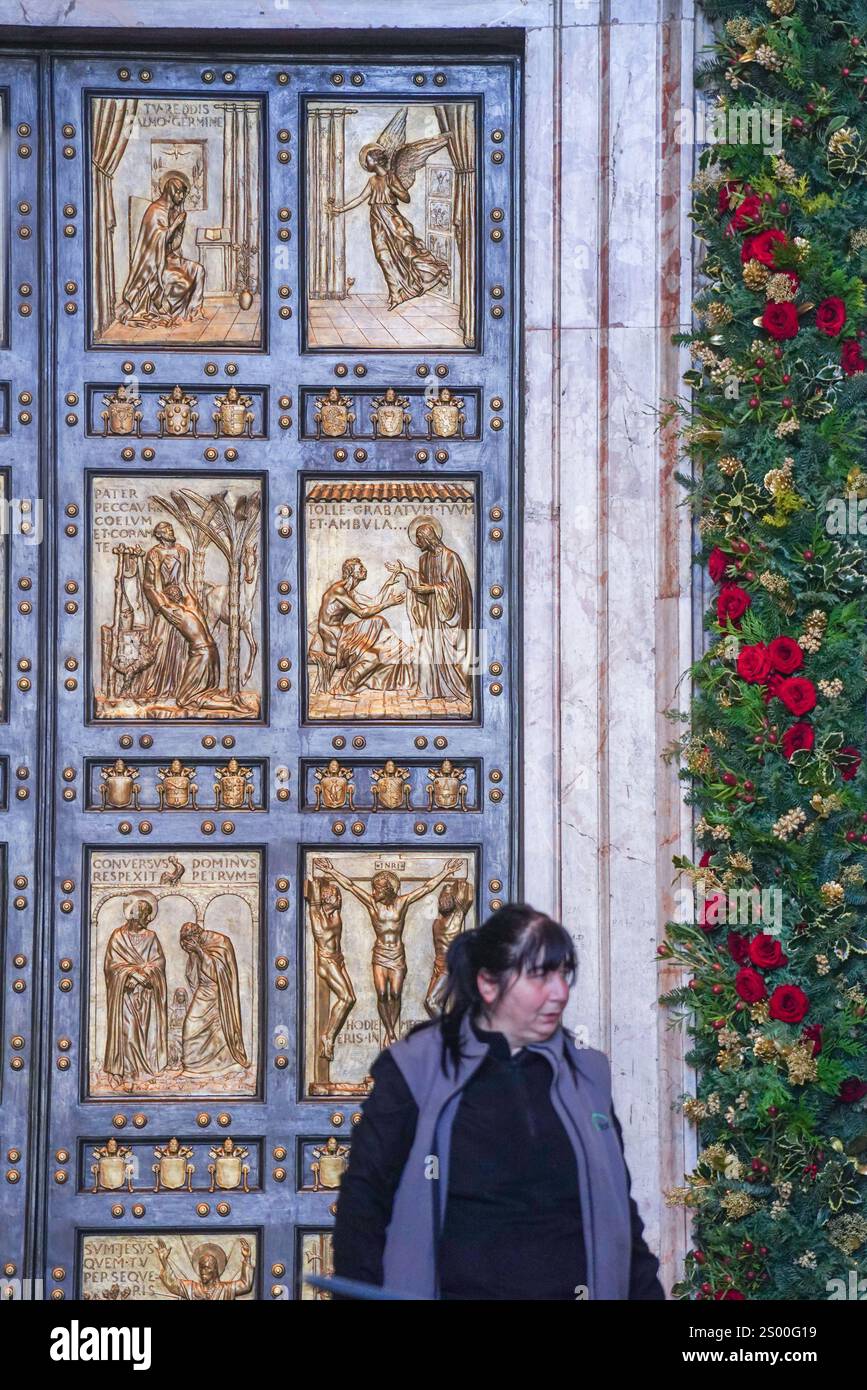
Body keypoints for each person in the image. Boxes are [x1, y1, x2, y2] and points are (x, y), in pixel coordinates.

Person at [332, 903, 665, 1301]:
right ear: (489, 984)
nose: (560, 992)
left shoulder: (588, 1073)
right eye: (541, 975)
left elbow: (620, 1217)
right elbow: (363, 1203)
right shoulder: (415, 1067)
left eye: (564, 974)